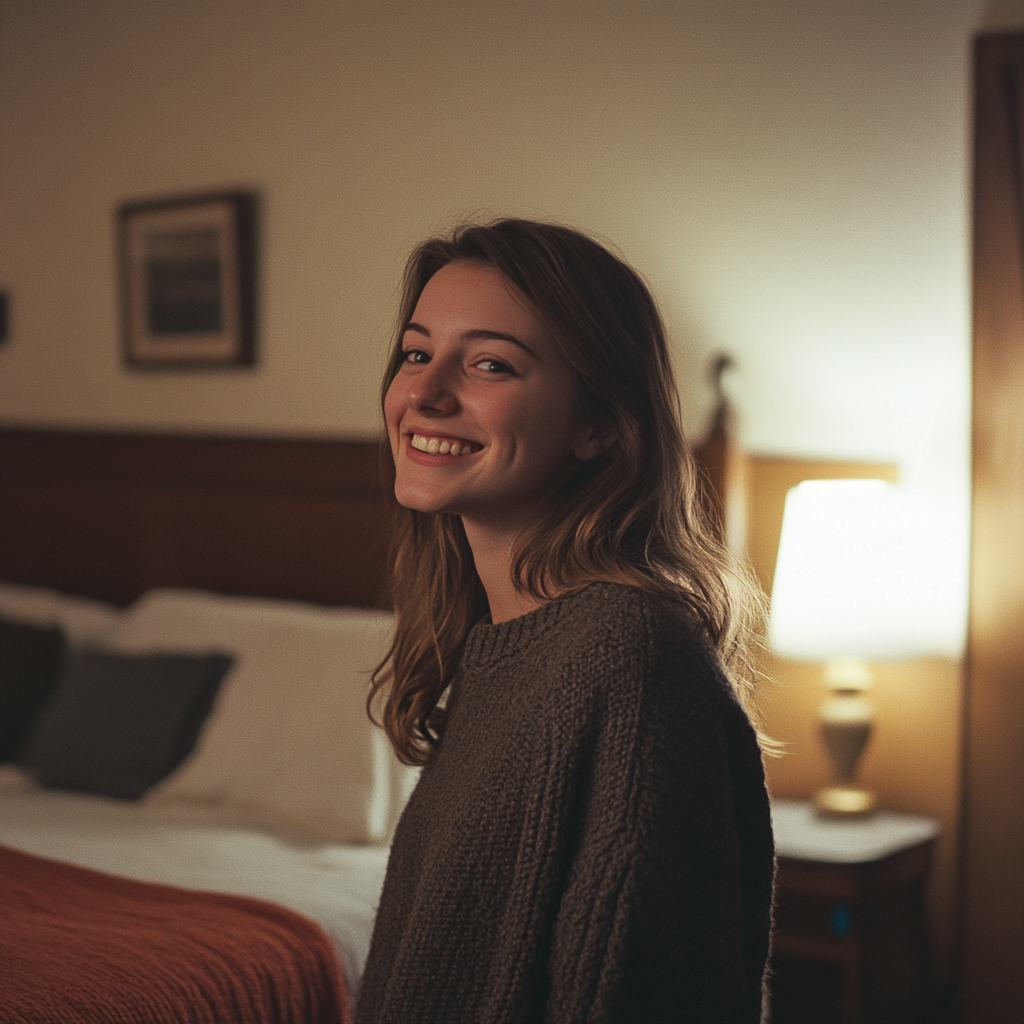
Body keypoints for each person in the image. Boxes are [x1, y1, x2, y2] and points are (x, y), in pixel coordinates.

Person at [356, 219, 775, 1024]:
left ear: (599, 425)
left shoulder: (628, 653)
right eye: (416, 353)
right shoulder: (500, 647)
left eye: (489, 364)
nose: (425, 393)